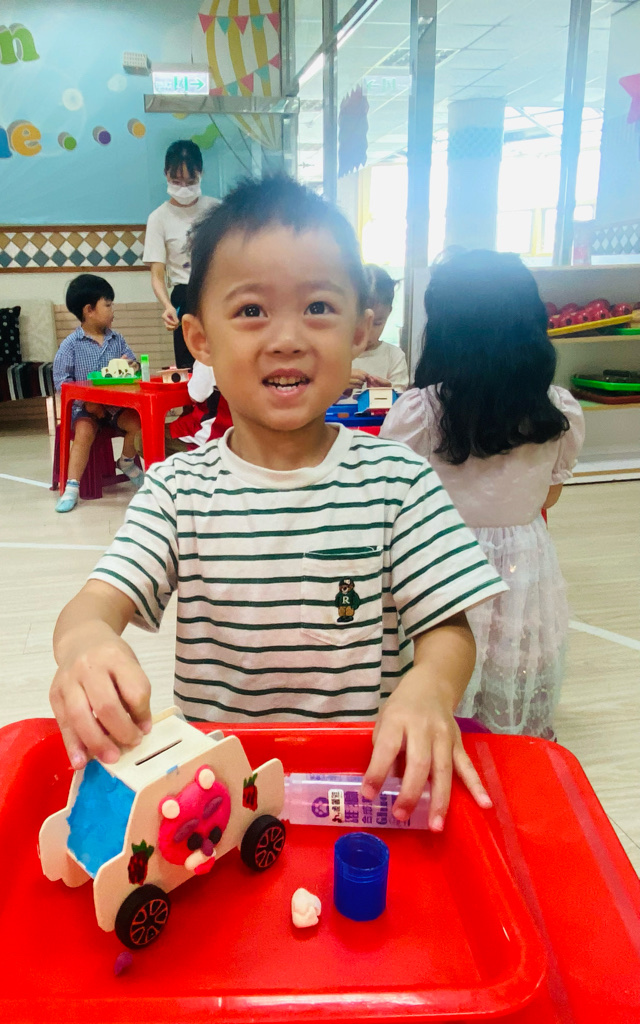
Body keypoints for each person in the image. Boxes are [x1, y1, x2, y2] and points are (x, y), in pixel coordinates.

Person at [49, 177, 507, 833]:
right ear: (200, 339)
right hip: (220, 807)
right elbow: (95, 603)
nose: (287, 338)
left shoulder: (399, 480)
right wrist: (84, 644)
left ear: (361, 328)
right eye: (251, 310)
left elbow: (448, 627)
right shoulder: (177, 490)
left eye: (319, 306)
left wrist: (431, 687)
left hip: (361, 789)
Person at [381, 250, 585, 739]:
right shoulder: (558, 409)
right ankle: (512, 745)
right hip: (524, 563)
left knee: (439, 662)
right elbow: (548, 500)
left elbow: (392, 500)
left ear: (445, 330)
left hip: (440, 563)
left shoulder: (421, 411)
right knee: (512, 658)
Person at [53, 274, 144, 513]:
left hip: (115, 407)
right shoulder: (71, 345)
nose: (113, 311)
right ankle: (72, 487)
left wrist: (133, 366)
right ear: (89, 310)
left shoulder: (117, 339)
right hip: (86, 409)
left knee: (138, 422)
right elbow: (61, 382)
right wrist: (86, 403)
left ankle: (126, 461)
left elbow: (133, 366)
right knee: (84, 431)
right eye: (108, 305)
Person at [143, 140, 220, 369]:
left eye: (190, 181)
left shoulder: (217, 210)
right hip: (183, 296)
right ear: (165, 174)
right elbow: (157, 275)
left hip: (214, 293)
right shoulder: (158, 218)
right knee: (190, 367)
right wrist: (167, 306)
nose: (183, 188)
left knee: (222, 362)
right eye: (176, 181)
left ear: (201, 173)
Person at [349, 265, 408, 392]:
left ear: (389, 312)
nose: (368, 333)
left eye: (377, 323)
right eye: (360, 322)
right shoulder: (334, 354)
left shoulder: (394, 357)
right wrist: (337, 385)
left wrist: (390, 393)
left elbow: (401, 402)